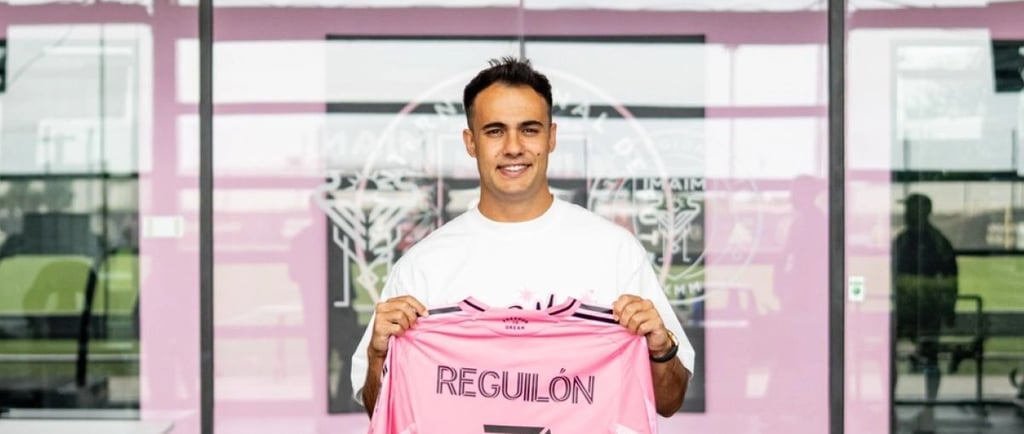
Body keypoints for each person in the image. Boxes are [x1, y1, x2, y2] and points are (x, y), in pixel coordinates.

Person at [350, 57, 694, 419]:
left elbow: (669, 401)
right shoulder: (423, 266)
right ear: (471, 142)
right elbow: (383, 410)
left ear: (552, 136)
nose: (513, 147)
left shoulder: (614, 252)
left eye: (529, 130)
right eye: (495, 131)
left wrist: (660, 348)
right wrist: (378, 356)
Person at [892, 192, 959, 433]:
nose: (905, 214)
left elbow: (950, 280)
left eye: (909, 209)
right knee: (896, 358)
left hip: (922, 311)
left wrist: (948, 309)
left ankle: (928, 406)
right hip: (908, 310)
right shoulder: (908, 240)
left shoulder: (929, 242)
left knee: (928, 358)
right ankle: (914, 405)